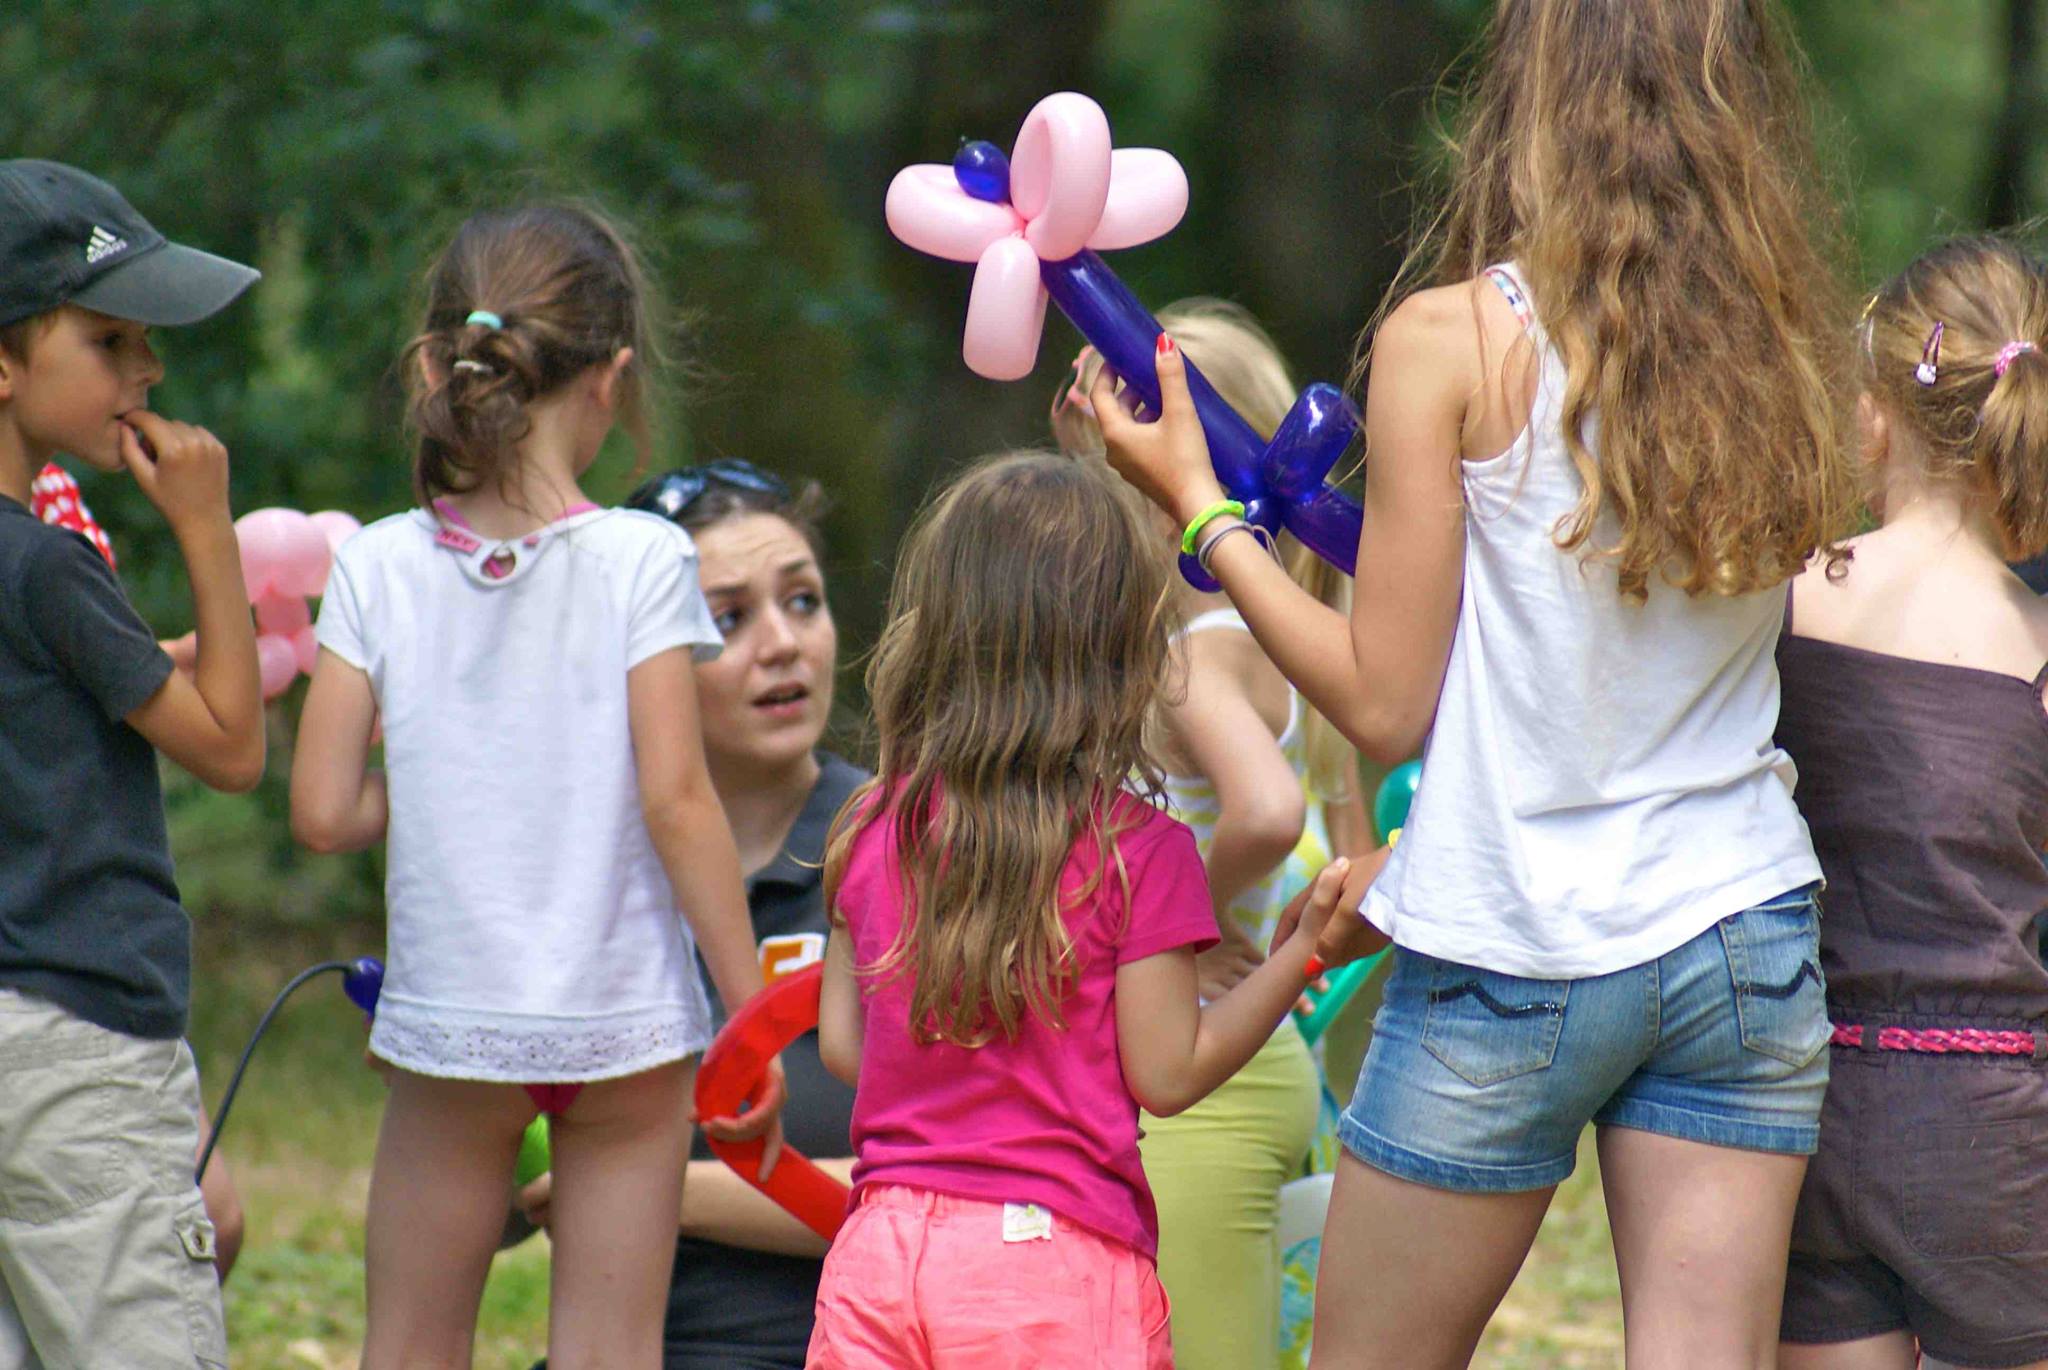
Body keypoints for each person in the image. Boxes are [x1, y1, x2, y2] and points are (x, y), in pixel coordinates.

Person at [1092, 1, 1862, 1363]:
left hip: (1515, 938)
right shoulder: (1788, 346)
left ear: (1528, 93)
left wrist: (1201, 510)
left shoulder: (1451, 341)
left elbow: (1383, 701)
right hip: (1741, 926)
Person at [289, 203, 781, 1369]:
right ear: (611, 377)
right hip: (626, 1029)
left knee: (409, 1343)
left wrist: (450, 762)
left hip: (453, 1026)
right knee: (614, 1348)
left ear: (438, 361)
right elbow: (677, 800)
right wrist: (750, 1016)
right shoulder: (642, 560)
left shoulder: (374, 562)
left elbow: (322, 813)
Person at [808, 451, 1372, 1369]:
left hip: (877, 1255)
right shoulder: (1142, 854)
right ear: (1121, 651)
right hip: (1052, 1271)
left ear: (936, 628)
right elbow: (1168, 1074)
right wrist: (1301, 950)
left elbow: (846, 1048)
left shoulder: (868, 825)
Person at [1055, 300, 1368, 1370]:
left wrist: (1152, 927)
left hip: (1201, 1075)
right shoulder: (1275, 628)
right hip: (1234, 1053)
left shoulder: (1193, 651)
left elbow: (1267, 814)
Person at [0, 158, 263, 1367]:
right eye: (111, 339)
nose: (148, 371)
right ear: (5, 362)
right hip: (78, 1045)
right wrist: (206, 527)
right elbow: (230, 747)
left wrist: (167, 654)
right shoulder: (52, 563)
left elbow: (47, 693)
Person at [522, 458, 862, 1370]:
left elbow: (948, 1200)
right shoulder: (579, 867)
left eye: (803, 601)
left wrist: (650, 1189)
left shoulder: (903, 854)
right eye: (728, 619)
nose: (784, 645)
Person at [1775, 237, 2048, 1370]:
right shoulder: (2031, 644)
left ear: (1874, 415)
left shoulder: (1782, 595)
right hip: (1992, 1122)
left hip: (1803, 1098)